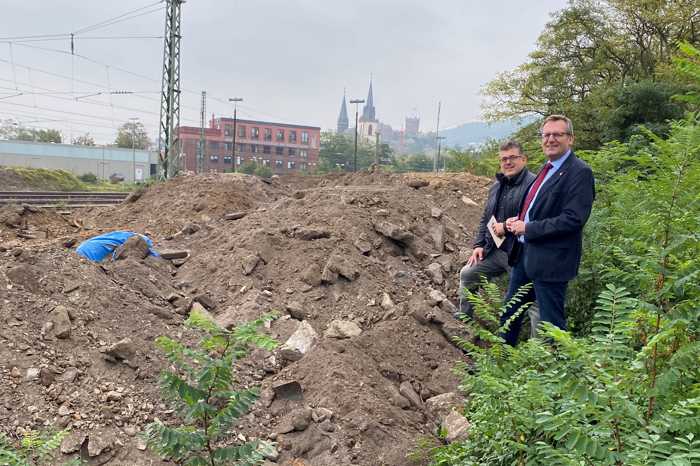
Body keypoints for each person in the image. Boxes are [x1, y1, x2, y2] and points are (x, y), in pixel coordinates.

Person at [502, 114, 595, 345]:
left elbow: (573, 219)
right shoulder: (547, 168)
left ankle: (556, 374)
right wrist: (520, 220)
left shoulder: (579, 172)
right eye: (546, 135)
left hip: (552, 260)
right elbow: (540, 207)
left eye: (557, 134)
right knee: (510, 313)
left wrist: (529, 227)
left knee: (551, 324)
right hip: (525, 255)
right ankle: (498, 364)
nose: (551, 139)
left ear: (570, 139)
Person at [458, 140, 536, 319]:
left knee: (532, 301)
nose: (507, 162)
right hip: (496, 250)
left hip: (521, 254)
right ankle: (464, 323)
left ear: (523, 159)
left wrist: (506, 228)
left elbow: (533, 220)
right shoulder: (497, 185)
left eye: (512, 158)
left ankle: (536, 345)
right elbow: (486, 218)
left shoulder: (533, 185)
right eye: (504, 159)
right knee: (468, 274)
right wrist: (479, 244)